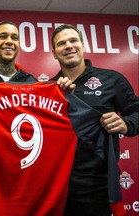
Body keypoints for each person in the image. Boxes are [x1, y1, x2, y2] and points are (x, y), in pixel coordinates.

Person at [51, 24, 139, 216]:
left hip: (99, 184)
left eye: (73, 41)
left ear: (83, 46)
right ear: (54, 54)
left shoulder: (111, 80)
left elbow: (136, 111)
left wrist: (126, 124)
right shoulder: (49, 89)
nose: (68, 46)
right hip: (58, 185)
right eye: (61, 43)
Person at [0, 20, 74, 140]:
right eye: (2, 37)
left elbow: (46, 129)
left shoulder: (31, 83)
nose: (9, 41)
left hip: (22, 156)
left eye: (14, 38)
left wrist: (66, 100)